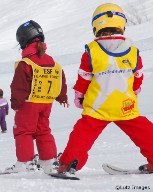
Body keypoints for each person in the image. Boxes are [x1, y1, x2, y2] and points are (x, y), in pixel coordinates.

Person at [58, 3, 153, 175]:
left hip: (98, 106)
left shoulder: (91, 51)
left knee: (82, 135)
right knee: (144, 131)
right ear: (122, 24)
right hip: (125, 105)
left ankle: (68, 164)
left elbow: (84, 79)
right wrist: (135, 91)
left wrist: (79, 96)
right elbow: (138, 77)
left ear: (96, 25)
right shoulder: (133, 51)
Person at [9, 20, 69, 174]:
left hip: (29, 104)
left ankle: (25, 163)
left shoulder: (26, 63)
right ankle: (48, 161)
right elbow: (60, 79)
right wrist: (62, 97)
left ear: (23, 41)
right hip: (46, 103)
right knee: (43, 130)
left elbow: (19, 86)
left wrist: (15, 103)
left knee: (23, 131)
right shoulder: (51, 61)